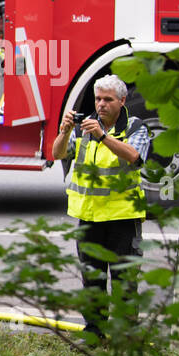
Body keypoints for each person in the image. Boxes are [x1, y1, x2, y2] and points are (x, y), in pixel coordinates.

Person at [52, 76, 152, 337]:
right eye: (98, 99)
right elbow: (58, 154)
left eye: (108, 99)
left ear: (122, 100)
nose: (101, 104)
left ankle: (126, 335)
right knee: (92, 281)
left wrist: (103, 135)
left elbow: (134, 156)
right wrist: (63, 132)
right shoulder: (83, 127)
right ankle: (95, 332)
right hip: (89, 217)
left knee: (125, 281)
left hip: (123, 217)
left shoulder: (135, 127)